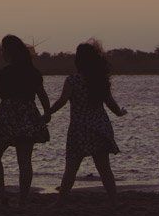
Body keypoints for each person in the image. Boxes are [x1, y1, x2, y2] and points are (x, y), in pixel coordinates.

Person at [0, 34, 51, 207]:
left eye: (3, 50)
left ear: (8, 53)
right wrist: (47, 113)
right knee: (24, 160)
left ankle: (2, 195)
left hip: (7, 118)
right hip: (28, 116)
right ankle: (23, 200)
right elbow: (43, 96)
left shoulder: (2, 74)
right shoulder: (33, 73)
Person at [46, 41, 127, 206]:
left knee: (71, 168)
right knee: (104, 168)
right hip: (99, 127)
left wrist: (48, 113)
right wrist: (120, 112)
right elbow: (110, 103)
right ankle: (114, 201)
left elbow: (62, 101)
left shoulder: (72, 80)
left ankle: (61, 200)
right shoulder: (100, 80)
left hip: (79, 129)